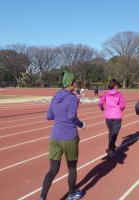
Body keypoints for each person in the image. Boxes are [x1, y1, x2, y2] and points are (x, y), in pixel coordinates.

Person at [39, 71, 86, 200]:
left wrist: (59, 114)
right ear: (71, 84)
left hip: (54, 137)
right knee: (71, 168)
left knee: (52, 170)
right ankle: (71, 195)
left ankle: (42, 197)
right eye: (75, 82)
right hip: (69, 137)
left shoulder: (55, 97)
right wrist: (81, 124)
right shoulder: (73, 99)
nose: (76, 84)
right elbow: (72, 116)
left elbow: (49, 116)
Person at [99, 79, 125, 158]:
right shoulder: (119, 95)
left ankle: (112, 147)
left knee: (111, 132)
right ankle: (110, 148)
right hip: (116, 116)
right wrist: (118, 108)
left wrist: (102, 108)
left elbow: (100, 103)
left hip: (108, 116)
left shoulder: (106, 94)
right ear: (116, 86)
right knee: (115, 133)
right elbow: (122, 106)